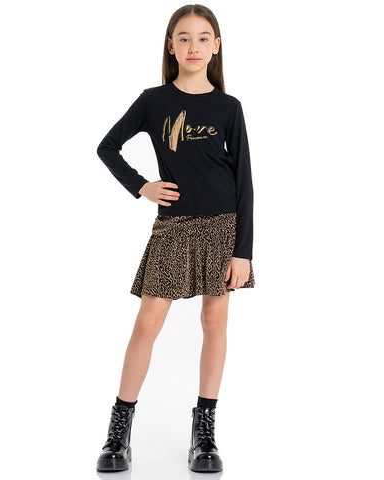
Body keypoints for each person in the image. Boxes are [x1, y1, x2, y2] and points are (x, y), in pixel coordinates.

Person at [95, 4, 255, 473]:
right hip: (174, 227)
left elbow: (244, 182)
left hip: (222, 225)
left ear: (216, 46)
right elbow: (107, 147)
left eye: (203, 38)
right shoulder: (154, 101)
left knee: (214, 322)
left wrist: (243, 251)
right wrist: (142, 186)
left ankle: (204, 431)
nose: (193, 46)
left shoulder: (228, 107)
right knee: (148, 322)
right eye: (183, 38)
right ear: (171, 46)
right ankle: (119, 430)